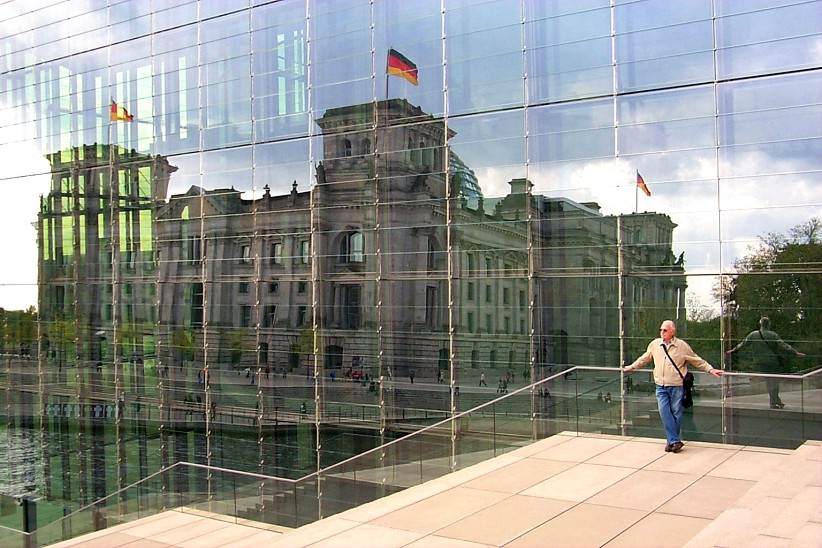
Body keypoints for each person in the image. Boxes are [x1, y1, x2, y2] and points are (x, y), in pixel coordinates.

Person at [624, 319, 722, 453]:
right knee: (664, 412)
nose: (662, 332)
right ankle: (674, 440)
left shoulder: (681, 346)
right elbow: (644, 358)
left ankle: (672, 442)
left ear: (672, 331)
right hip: (661, 386)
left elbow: (697, 360)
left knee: (676, 413)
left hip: (677, 386)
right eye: (661, 330)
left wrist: (711, 369)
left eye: (665, 330)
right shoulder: (655, 344)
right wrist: (632, 367)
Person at [726, 316, 804, 409]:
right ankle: (774, 402)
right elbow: (784, 345)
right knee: (774, 381)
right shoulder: (773, 335)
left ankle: (776, 401)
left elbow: (742, 344)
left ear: (760, 324)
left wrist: (732, 351)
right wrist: (796, 353)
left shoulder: (753, 334)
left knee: (769, 381)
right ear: (769, 324)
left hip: (760, 362)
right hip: (772, 362)